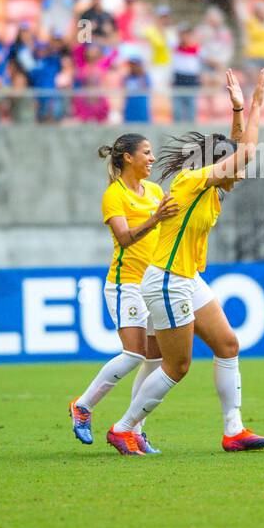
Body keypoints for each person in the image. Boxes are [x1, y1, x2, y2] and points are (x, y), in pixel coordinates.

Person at [105, 69, 264, 455]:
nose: (239, 172)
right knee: (177, 366)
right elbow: (245, 152)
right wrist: (258, 103)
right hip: (166, 280)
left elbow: (235, 148)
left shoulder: (208, 188)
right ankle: (123, 427)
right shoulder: (190, 181)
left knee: (228, 344)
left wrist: (236, 108)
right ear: (214, 166)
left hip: (188, 278)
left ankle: (233, 430)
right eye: (230, 167)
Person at [67, 132, 179, 453]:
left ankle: (133, 430)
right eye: (146, 152)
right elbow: (125, 238)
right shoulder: (114, 195)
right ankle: (83, 406)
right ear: (128, 158)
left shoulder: (155, 190)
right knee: (134, 354)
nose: (152, 159)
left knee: (155, 361)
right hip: (125, 284)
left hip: (154, 286)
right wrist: (155, 218)